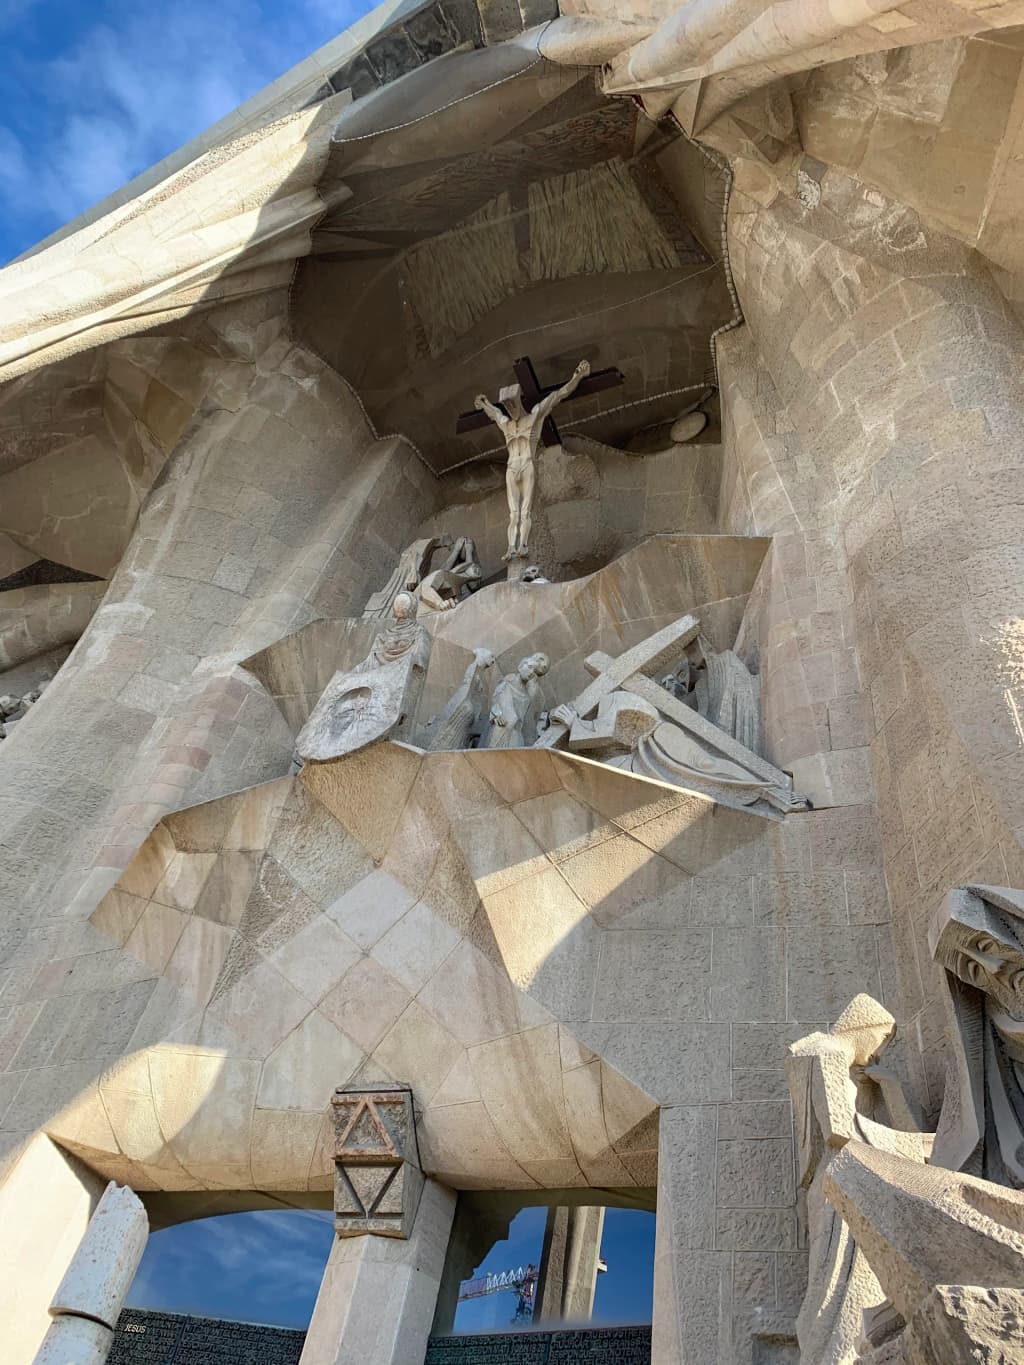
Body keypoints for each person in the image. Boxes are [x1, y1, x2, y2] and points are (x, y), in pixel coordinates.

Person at [475, 360, 590, 561]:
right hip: (512, 468)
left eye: (512, 405)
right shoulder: (506, 424)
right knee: (513, 514)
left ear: (519, 402)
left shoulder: (535, 416)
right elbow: (494, 413)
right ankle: (511, 547)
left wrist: (577, 377)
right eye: (507, 407)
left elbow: (557, 396)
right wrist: (483, 402)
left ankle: (524, 545)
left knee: (525, 511)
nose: (510, 409)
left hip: (527, 465)